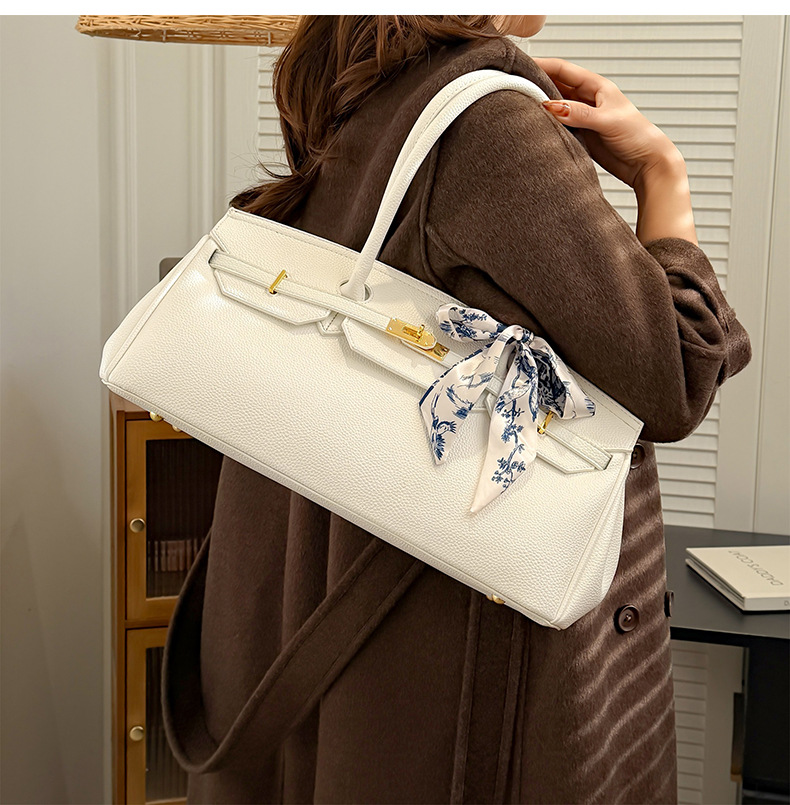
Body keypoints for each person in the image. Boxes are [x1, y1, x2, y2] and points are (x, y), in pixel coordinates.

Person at [162, 15, 752, 804]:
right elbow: (675, 375)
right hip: (461, 655)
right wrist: (660, 173)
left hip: (334, 620)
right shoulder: (490, 122)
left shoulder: (357, 90)